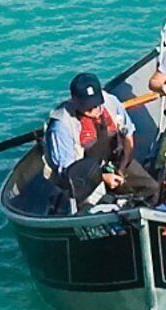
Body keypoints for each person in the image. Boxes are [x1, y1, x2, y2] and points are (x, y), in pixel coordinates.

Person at [43, 73, 140, 211]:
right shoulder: (61, 127)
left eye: (96, 104)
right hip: (83, 177)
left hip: (115, 162)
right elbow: (68, 172)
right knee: (95, 209)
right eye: (88, 107)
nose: (94, 110)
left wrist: (123, 167)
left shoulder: (111, 102)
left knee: (150, 188)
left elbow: (128, 133)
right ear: (74, 101)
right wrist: (103, 178)